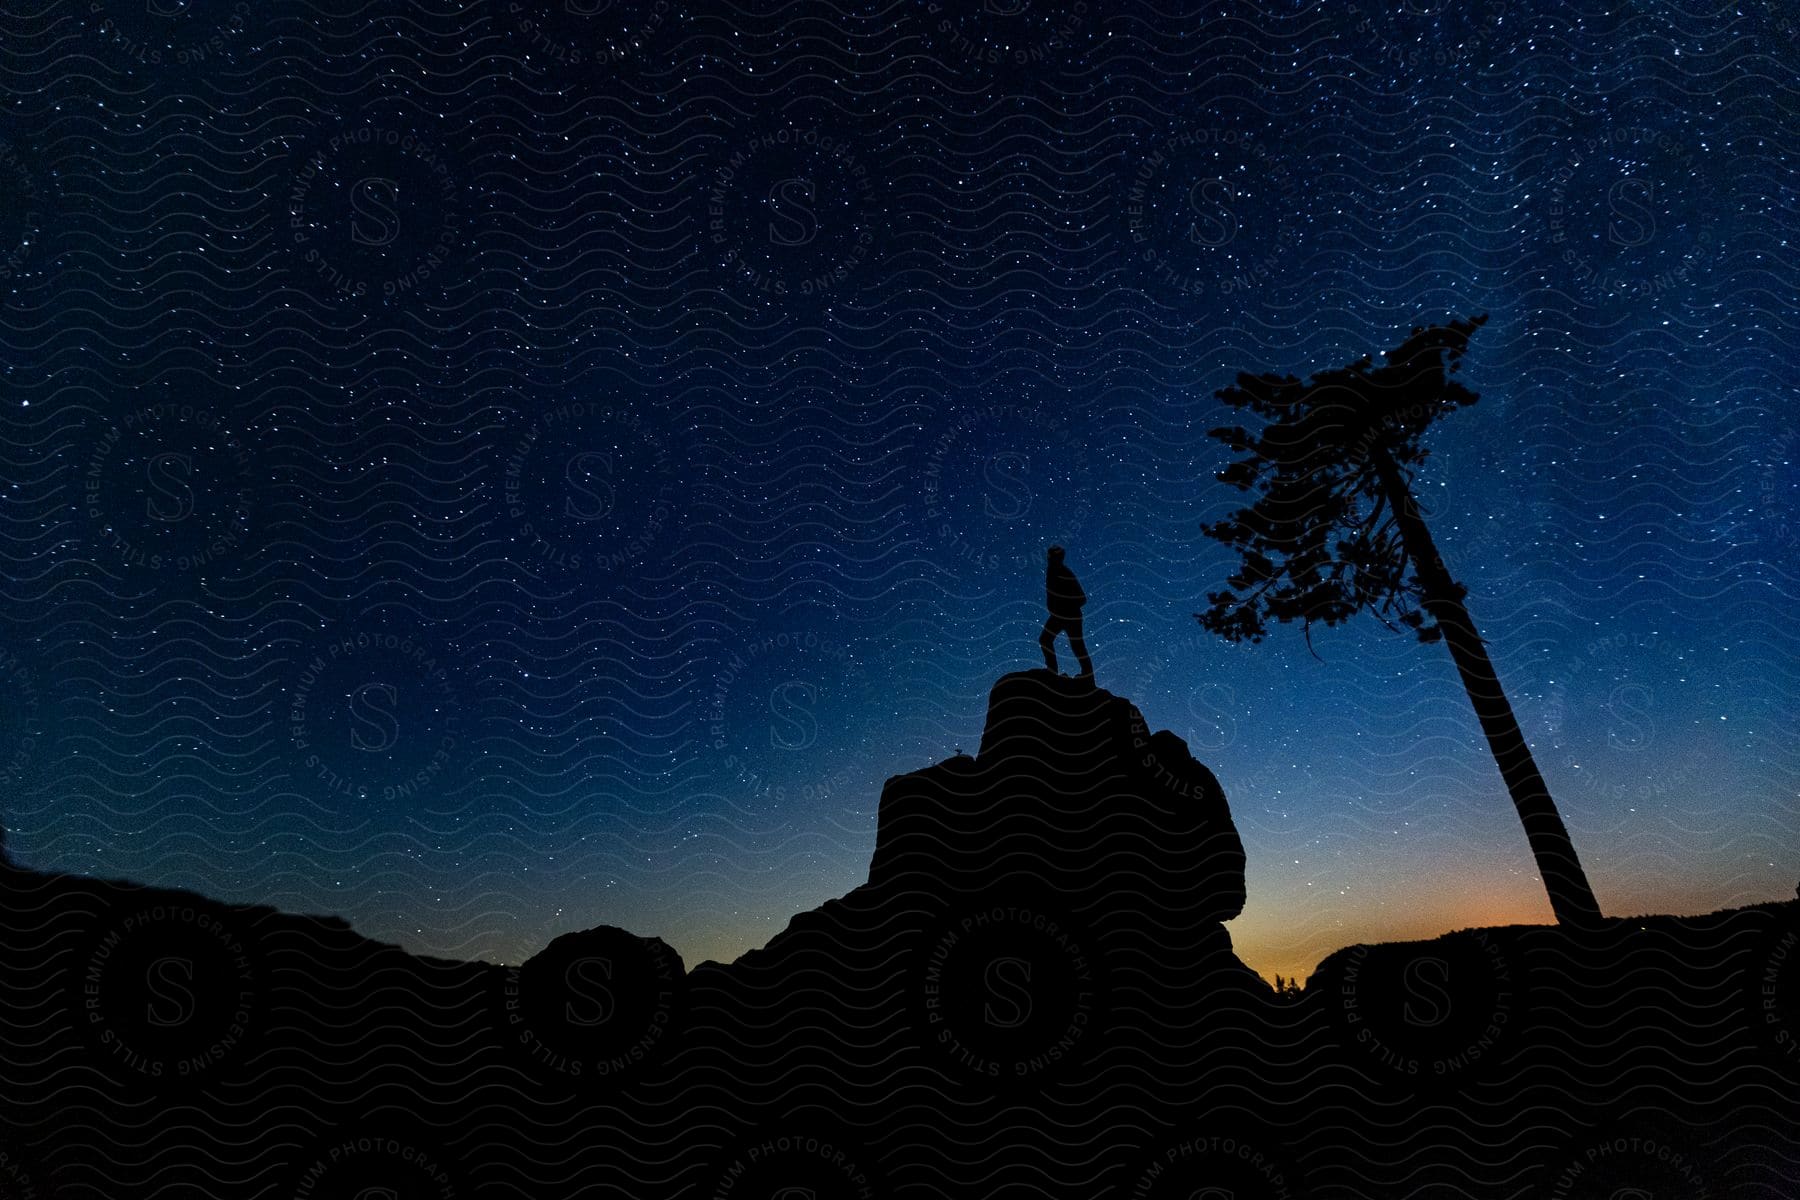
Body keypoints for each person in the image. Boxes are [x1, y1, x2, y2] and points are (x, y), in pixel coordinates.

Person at [1038, 545, 1093, 681]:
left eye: (1052, 556)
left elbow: (1082, 598)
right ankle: (1052, 671)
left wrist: (1064, 607)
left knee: (1076, 645)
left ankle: (1088, 677)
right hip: (1058, 616)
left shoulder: (1064, 572)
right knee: (1046, 640)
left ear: (1059, 558)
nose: (1049, 558)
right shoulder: (1052, 571)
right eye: (1049, 556)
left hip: (1069, 616)